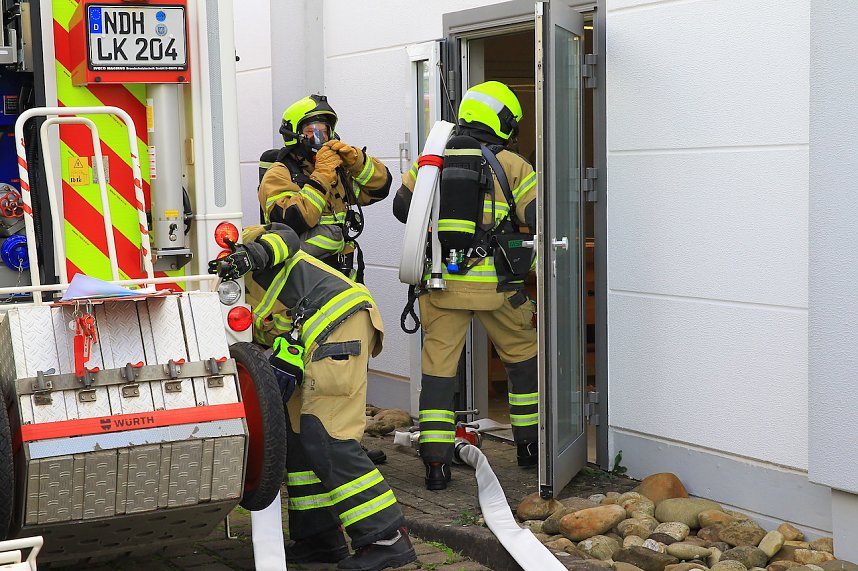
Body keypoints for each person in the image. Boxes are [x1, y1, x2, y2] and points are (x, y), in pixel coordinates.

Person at [210, 223, 416, 571]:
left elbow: (286, 237)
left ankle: (387, 537)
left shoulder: (241, 244)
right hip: (309, 337)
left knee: (328, 435)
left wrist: (252, 255)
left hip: (336, 324)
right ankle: (319, 538)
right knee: (298, 437)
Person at [393, 81, 538, 490]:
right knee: (524, 360)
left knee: (438, 373)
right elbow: (538, 217)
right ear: (503, 121)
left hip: (442, 286)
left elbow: (403, 208)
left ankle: (435, 467)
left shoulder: (431, 161)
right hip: (499, 289)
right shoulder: (513, 165)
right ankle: (530, 450)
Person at [258, 94, 392, 282]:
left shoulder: (335, 172)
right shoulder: (279, 174)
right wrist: (321, 175)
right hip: (300, 281)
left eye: (324, 132)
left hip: (340, 277)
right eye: (312, 131)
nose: (320, 138)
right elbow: (292, 220)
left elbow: (379, 189)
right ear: (294, 135)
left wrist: (357, 162)